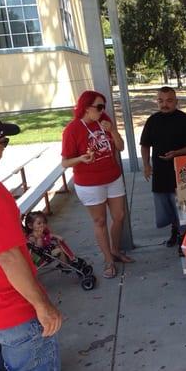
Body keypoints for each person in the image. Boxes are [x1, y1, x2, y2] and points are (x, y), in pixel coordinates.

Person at [0, 118, 62, 371]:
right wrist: (42, 306)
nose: (3, 149)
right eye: (2, 142)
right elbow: (8, 257)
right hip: (13, 311)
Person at [62, 90, 134, 280]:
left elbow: (120, 147)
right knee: (100, 221)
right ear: (86, 108)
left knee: (119, 216)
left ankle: (115, 250)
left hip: (112, 177)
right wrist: (81, 158)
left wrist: (112, 130)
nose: (103, 110)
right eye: (99, 107)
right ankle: (108, 260)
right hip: (89, 183)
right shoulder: (72, 129)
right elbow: (65, 162)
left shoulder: (104, 120)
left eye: (104, 106)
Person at [140, 86, 186, 250]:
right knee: (165, 206)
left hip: (182, 171)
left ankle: (185, 236)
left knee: (182, 206)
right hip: (160, 171)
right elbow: (145, 145)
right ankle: (175, 230)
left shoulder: (185, 120)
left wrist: (177, 153)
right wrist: (146, 165)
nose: (164, 104)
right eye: (161, 100)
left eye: (169, 100)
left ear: (176, 101)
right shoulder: (152, 120)